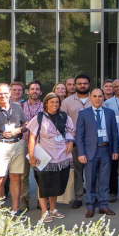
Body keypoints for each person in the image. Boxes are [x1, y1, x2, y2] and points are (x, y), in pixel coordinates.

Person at [27, 92, 75, 223]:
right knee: (43, 184)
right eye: (52, 102)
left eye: (57, 102)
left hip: (61, 156)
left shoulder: (64, 116)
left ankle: (53, 209)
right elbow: (32, 138)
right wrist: (31, 156)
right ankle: (44, 211)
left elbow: (71, 130)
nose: (55, 104)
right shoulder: (39, 118)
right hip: (44, 156)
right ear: (46, 103)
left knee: (55, 184)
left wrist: (70, 142)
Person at [0, 83, 28, 216]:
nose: (3, 96)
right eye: (0, 93)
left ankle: (15, 209)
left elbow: (25, 124)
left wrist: (17, 130)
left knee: (16, 177)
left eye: (6, 93)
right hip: (0, 145)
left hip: (17, 144)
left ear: (10, 94)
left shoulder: (17, 108)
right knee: (0, 178)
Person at [76, 89, 119, 218]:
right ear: (90, 98)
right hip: (90, 151)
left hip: (106, 149)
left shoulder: (110, 113)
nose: (97, 98)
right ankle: (90, 206)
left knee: (104, 180)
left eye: (100, 96)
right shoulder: (83, 113)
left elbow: (115, 133)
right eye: (94, 96)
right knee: (90, 179)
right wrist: (81, 153)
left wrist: (115, 150)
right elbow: (79, 135)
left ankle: (103, 206)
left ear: (103, 98)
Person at [61, 74, 94, 208]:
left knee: (92, 171)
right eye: (79, 83)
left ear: (89, 84)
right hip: (75, 142)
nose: (82, 85)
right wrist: (68, 140)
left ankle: (93, 196)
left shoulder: (96, 98)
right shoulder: (67, 102)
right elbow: (63, 122)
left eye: (85, 83)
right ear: (75, 85)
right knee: (77, 171)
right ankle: (79, 197)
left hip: (93, 142)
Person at [19, 80, 44, 210]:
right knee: (24, 175)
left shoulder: (45, 106)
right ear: (28, 91)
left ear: (41, 92)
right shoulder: (20, 106)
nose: (35, 91)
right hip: (23, 144)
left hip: (40, 145)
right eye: (32, 89)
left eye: (37, 89)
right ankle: (24, 199)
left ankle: (41, 200)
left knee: (40, 174)